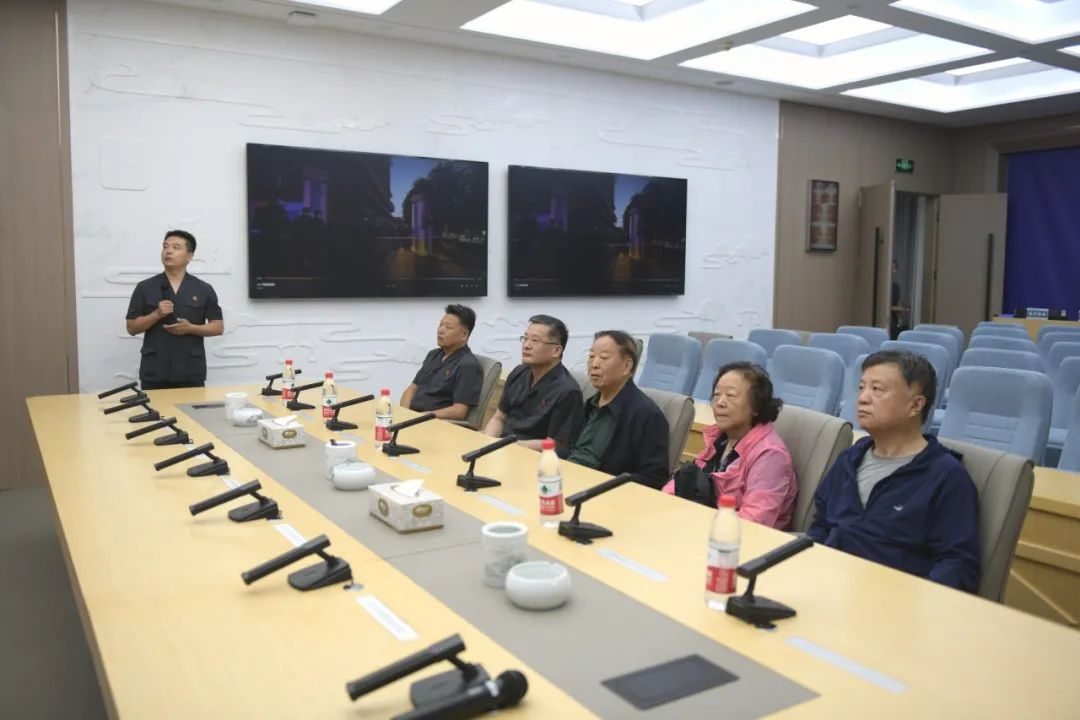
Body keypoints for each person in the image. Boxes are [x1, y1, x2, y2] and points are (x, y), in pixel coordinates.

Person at [807, 350, 981, 592]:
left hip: (893, 599)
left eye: (877, 389)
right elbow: (822, 524)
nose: (862, 398)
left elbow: (956, 564)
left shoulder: (945, 476)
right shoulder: (850, 458)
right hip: (828, 585)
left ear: (915, 405)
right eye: (861, 388)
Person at [661, 362, 796, 529]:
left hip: (741, 539)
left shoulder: (770, 455)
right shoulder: (721, 439)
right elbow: (679, 484)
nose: (720, 402)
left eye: (730, 395)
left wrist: (693, 520)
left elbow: (754, 521)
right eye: (716, 395)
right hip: (702, 526)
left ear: (756, 407)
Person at [562, 330, 669, 489]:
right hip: (567, 478)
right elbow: (570, 450)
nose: (594, 364)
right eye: (591, 356)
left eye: (604, 358)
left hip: (599, 491)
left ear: (627, 366)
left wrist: (605, 483)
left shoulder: (647, 415)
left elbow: (654, 478)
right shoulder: (589, 404)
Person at [125, 230, 224, 389]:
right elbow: (131, 328)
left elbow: (218, 327)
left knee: (192, 406)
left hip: (190, 370)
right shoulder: (145, 287)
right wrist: (156, 314)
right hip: (155, 370)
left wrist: (190, 328)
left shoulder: (203, 289)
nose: (168, 251)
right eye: (165, 247)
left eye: (176, 247)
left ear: (189, 256)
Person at [484, 315, 583, 450]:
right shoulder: (519, 372)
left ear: (556, 350)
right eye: (525, 338)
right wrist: (488, 442)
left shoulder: (568, 391)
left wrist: (508, 446)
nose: (526, 345)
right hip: (502, 447)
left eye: (535, 340)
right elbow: (499, 417)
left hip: (534, 455)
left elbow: (557, 444)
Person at [400, 304, 483, 421]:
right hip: (412, 418)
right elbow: (412, 388)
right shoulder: (433, 355)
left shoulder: (468, 365)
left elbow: (459, 411)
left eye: (448, 327)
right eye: (440, 325)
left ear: (464, 335)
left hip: (434, 423)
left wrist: (420, 417)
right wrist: (404, 414)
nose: (441, 330)